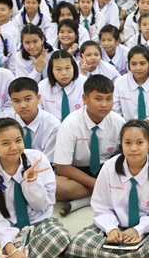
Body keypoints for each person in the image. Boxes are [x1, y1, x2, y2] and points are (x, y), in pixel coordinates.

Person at [66, 119, 149, 258]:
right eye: (128, 143)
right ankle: (126, 255)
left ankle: (106, 257)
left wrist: (139, 229)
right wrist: (111, 229)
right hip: (117, 223)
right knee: (77, 243)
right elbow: (101, 206)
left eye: (139, 143)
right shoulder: (109, 167)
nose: (133, 148)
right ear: (121, 144)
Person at [0, 118, 71, 258]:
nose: (14, 147)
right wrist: (11, 249)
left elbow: (42, 206)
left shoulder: (37, 159)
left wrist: (32, 183)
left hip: (38, 223)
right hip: (7, 227)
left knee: (59, 237)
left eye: (18, 140)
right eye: (5, 143)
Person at [54, 74, 126, 216]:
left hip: (105, 170)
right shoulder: (70, 124)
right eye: (98, 99)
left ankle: (92, 195)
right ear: (85, 99)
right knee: (57, 187)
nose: (104, 104)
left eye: (109, 99)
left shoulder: (118, 122)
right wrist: (97, 184)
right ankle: (107, 192)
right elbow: (62, 167)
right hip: (77, 172)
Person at [38, 50, 87, 121]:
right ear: (51, 70)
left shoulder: (84, 83)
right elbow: (39, 113)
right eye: (58, 69)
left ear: (74, 67)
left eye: (67, 68)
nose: (64, 73)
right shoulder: (42, 86)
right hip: (51, 127)